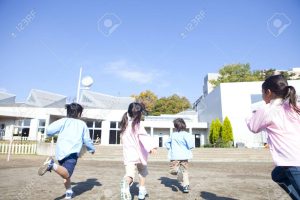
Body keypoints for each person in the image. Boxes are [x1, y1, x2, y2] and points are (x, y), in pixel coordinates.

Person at [246, 75, 300, 200]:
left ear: (268, 92)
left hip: (292, 160)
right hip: (292, 159)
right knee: (277, 175)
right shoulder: (294, 106)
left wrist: (248, 117)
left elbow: (254, 127)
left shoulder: (268, 109)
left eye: (262, 93)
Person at [38, 103, 95, 199]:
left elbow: (49, 130)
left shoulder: (63, 121)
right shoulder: (82, 124)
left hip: (60, 152)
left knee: (65, 175)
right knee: (67, 172)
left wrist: (50, 135)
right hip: (72, 153)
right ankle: (51, 165)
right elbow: (87, 139)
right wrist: (91, 149)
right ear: (79, 113)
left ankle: (69, 192)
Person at [119, 102, 157, 200]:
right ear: (139, 113)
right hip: (139, 154)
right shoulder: (138, 125)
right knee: (143, 172)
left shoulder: (124, 125)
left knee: (130, 174)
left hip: (128, 154)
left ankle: (126, 183)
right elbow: (143, 137)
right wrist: (151, 147)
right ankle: (141, 192)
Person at [164, 118, 194, 193]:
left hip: (175, 156)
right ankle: (186, 186)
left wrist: (170, 148)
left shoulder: (173, 135)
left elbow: (167, 143)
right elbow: (191, 145)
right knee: (185, 171)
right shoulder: (187, 134)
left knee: (173, 170)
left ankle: (177, 171)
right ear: (184, 125)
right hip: (185, 156)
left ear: (175, 126)